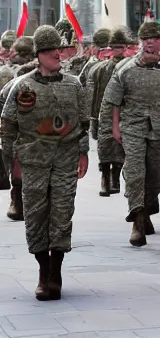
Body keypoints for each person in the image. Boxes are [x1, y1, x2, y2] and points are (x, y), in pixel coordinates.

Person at [1, 25, 89, 301]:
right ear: (39, 54)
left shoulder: (73, 84)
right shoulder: (22, 85)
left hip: (64, 160)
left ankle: (56, 273)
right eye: (52, 51)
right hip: (33, 163)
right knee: (36, 219)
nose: (58, 55)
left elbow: (83, 123)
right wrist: (10, 163)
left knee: (62, 215)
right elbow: (7, 126)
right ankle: (43, 270)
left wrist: (83, 153)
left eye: (59, 50)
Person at [103, 21, 160, 247]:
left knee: (156, 175)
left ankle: (147, 209)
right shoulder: (125, 68)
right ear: (141, 42)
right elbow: (114, 101)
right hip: (132, 127)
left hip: (159, 128)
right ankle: (137, 219)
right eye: (146, 39)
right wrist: (115, 127)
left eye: (154, 39)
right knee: (135, 170)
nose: (150, 43)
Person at [89, 28, 129, 196]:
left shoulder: (130, 67)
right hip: (104, 112)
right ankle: (105, 178)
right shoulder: (100, 69)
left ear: (125, 48)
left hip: (124, 112)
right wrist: (92, 117)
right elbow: (94, 94)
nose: (118, 51)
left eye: (120, 47)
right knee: (104, 147)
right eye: (115, 47)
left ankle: (116, 177)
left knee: (120, 147)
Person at [1, 36, 36, 218]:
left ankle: (19, 200)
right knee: (18, 162)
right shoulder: (14, 78)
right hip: (20, 128)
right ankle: (17, 199)